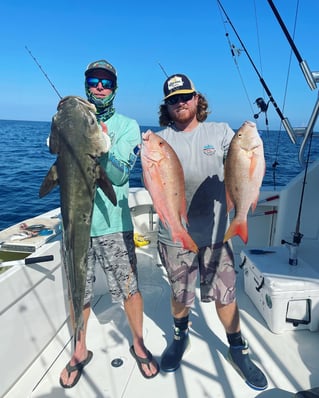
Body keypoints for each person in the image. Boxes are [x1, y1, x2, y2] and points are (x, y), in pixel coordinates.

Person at [154, 74, 268, 391]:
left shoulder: (219, 132)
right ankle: (180, 338)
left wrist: (246, 183)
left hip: (218, 233)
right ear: (167, 105)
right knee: (181, 295)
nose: (181, 102)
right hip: (175, 236)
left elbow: (239, 164)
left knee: (226, 295)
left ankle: (237, 348)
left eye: (186, 96)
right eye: (174, 99)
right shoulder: (160, 141)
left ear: (197, 99)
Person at [59, 60, 159, 388]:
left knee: (129, 289)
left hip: (114, 224)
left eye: (106, 82)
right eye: (93, 81)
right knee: (79, 290)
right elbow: (54, 154)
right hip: (76, 225)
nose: (99, 87)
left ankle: (139, 342)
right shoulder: (71, 121)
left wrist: (97, 145)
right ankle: (79, 350)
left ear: (114, 88)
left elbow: (116, 176)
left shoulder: (128, 126)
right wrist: (64, 126)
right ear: (86, 84)